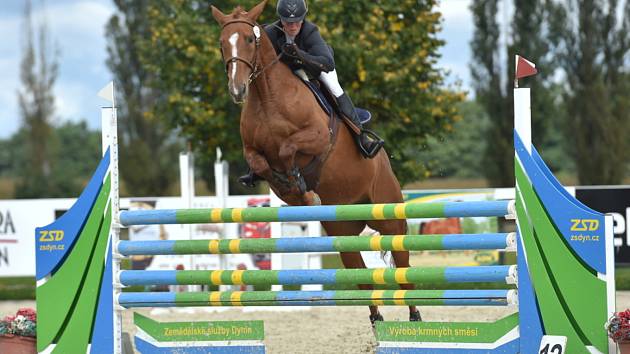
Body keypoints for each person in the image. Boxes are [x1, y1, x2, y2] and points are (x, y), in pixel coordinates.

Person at [238, 0, 383, 187]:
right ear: (280, 19)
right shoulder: (272, 32)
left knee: (334, 88)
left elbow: (327, 63)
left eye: (297, 21)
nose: (292, 26)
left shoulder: (310, 32)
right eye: (287, 22)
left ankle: (361, 136)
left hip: (317, 68)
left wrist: (299, 54)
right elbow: (253, 42)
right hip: (291, 74)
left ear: (303, 18)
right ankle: (255, 168)